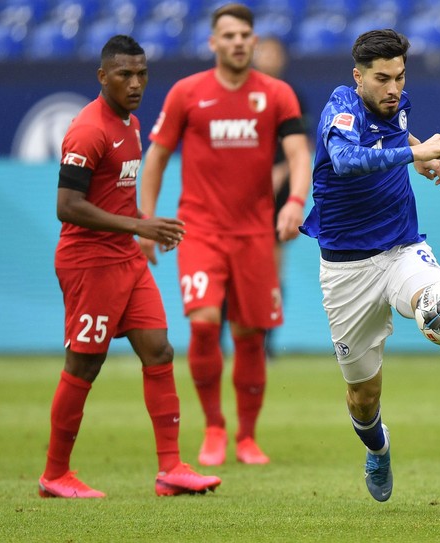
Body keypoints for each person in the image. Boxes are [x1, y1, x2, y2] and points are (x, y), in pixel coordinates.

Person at [299, 29, 440, 503]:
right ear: (358, 77)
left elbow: (391, 132)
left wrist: (416, 155)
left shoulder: (397, 103)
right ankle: (379, 448)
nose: (393, 89)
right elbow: (345, 160)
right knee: (363, 401)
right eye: (382, 79)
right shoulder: (341, 107)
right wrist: (416, 153)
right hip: (347, 270)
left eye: (400, 77)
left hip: (401, 247)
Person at [40, 35, 221, 499]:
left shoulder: (132, 123)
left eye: (142, 74)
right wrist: (137, 225)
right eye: (125, 74)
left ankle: (171, 470)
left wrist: (142, 227)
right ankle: (55, 474)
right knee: (84, 364)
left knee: (159, 350)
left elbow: (115, 195)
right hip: (89, 262)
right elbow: (67, 206)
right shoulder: (88, 130)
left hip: (124, 256)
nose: (135, 83)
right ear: (103, 76)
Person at [139, 3, 311, 467]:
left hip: (255, 234)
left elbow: (299, 154)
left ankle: (247, 437)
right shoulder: (186, 93)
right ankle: (214, 427)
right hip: (200, 231)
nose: (237, 42)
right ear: (213, 43)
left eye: (244, 35)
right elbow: (155, 157)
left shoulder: (276, 95)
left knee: (250, 335)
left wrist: (295, 202)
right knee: (203, 324)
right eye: (228, 35)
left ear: (254, 42)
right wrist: (146, 221)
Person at [252, 34, 312, 357]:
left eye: (275, 52)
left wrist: (281, 173)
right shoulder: (241, 94)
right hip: (243, 194)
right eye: (264, 51)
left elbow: (303, 147)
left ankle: (268, 342)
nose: (269, 58)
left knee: (274, 268)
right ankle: (227, 337)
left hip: (278, 193)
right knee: (238, 266)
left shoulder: (291, 96)